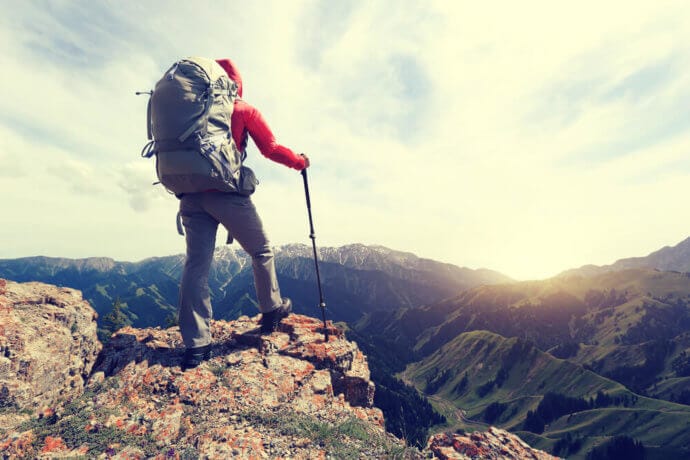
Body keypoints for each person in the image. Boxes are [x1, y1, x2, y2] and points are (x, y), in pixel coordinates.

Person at [179, 58, 309, 370]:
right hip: (225, 194)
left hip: (189, 196)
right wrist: (300, 162)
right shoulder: (241, 109)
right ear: (236, 84)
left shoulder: (190, 109)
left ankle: (196, 346)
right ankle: (272, 308)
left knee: (196, 266)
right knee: (262, 250)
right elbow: (271, 148)